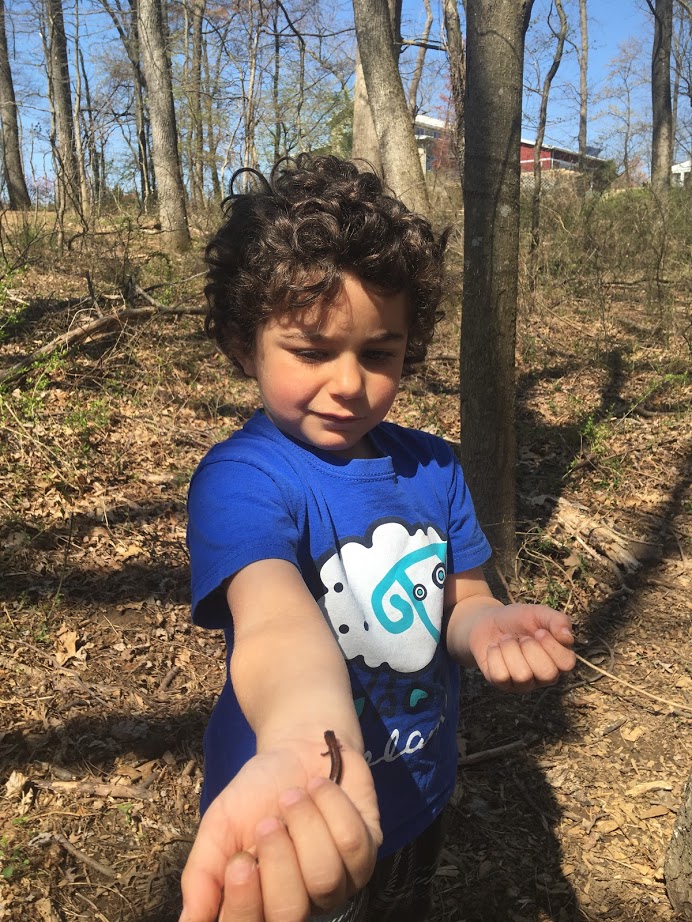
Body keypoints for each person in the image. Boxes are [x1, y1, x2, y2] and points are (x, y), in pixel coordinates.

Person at [180, 154, 576, 922]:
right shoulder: (242, 480)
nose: (349, 383)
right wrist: (304, 734)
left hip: (417, 792)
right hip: (302, 813)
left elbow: (461, 600)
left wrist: (488, 625)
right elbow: (274, 620)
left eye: (378, 353)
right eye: (311, 351)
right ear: (242, 342)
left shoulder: (433, 466)